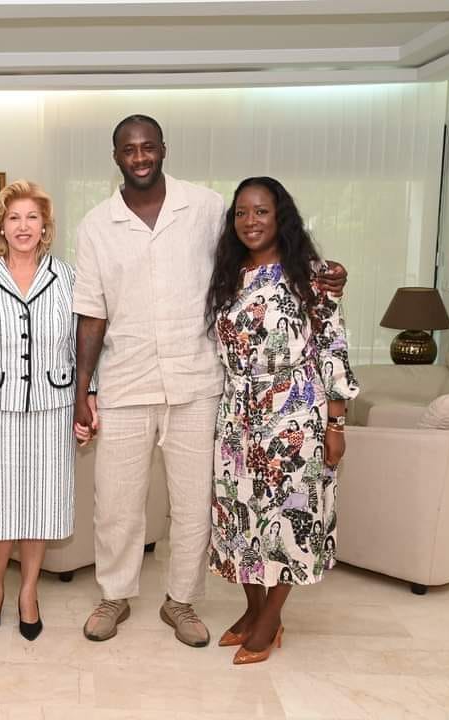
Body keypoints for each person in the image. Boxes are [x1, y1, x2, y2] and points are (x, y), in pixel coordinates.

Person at [72, 115, 348, 647]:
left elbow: (260, 249)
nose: (140, 156)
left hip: (200, 382)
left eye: (148, 146)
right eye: (129, 149)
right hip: (127, 382)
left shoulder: (204, 208)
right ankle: (114, 595)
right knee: (116, 502)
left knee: (196, 502)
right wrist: (84, 389)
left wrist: (323, 273)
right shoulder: (94, 226)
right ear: (115, 156)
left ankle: (182, 602)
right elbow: (90, 313)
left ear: (163, 149)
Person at [206, 176, 359, 664]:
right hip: (237, 414)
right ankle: (252, 610)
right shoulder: (228, 272)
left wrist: (336, 424)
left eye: (261, 212)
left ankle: (270, 620)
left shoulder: (312, 275)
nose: (250, 222)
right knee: (240, 517)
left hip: (293, 410)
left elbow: (333, 346)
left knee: (287, 517)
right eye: (241, 213)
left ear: (281, 217)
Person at [0, 180, 97, 641]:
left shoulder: (69, 277)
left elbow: (86, 345)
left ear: (45, 226)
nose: (23, 226)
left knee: (40, 505)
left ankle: (29, 592)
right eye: (13, 218)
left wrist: (88, 398)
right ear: (1, 225)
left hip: (52, 408)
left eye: (31, 218)